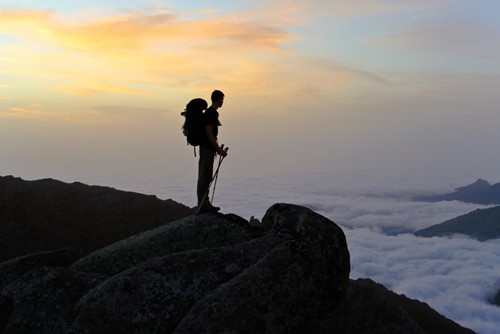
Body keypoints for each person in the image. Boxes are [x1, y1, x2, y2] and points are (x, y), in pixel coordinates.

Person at [197, 90, 228, 213]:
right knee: (205, 175)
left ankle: (204, 202)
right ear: (218, 99)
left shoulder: (211, 113)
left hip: (207, 148)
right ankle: (203, 204)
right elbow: (209, 132)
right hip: (207, 149)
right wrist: (218, 149)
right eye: (222, 99)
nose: (222, 102)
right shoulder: (211, 114)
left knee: (206, 175)